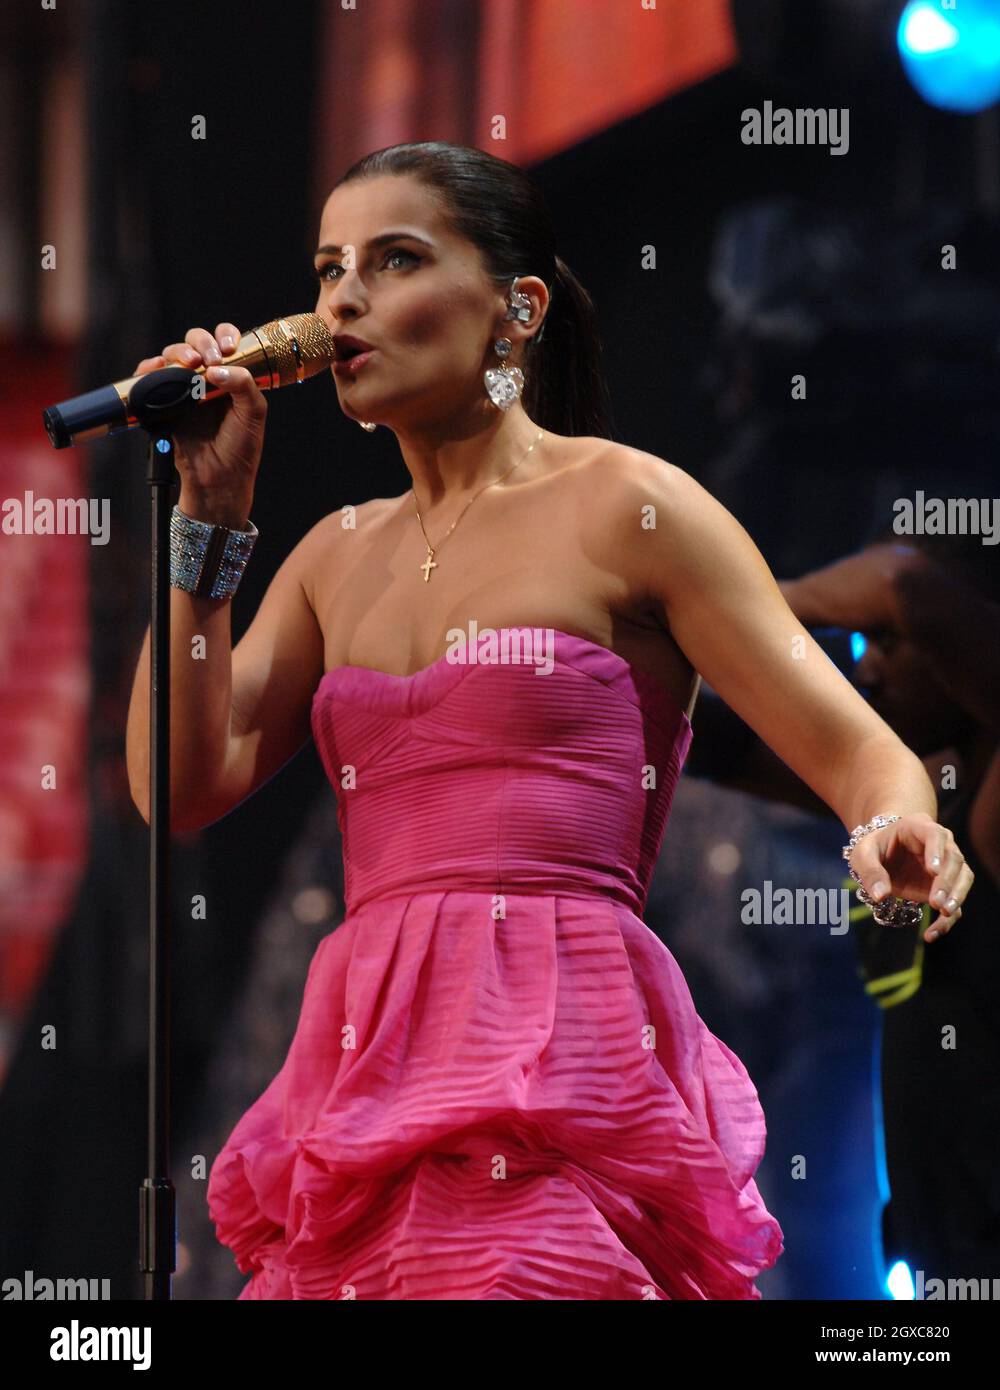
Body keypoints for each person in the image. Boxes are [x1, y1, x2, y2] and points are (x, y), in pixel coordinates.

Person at [125, 141, 973, 1300]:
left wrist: (895, 823)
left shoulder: (628, 506)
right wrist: (205, 526)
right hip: (369, 1076)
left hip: (563, 1066)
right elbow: (179, 789)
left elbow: (857, 746)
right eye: (329, 269)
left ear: (515, 307)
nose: (342, 301)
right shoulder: (331, 555)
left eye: (394, 259)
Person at [687, 529, 1000, 1287]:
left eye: (887, 644)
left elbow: (904, 585)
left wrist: (725, 604)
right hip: (938, 1234)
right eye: (861, 643)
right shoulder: (927, 795)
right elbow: (711, 742)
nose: (867, 666)